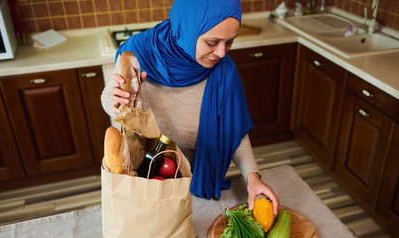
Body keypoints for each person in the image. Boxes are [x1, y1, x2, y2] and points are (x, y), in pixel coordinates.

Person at [101, 0, 280, 214]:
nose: (222, 53)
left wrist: (252, 177)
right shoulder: (139, 53)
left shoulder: (224, 71)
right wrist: (115, 99)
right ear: (188, 28)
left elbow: (233, 130)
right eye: (212, 42)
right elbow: (110, 100)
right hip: (145, 173)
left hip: (196, 175)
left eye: (230, 42)